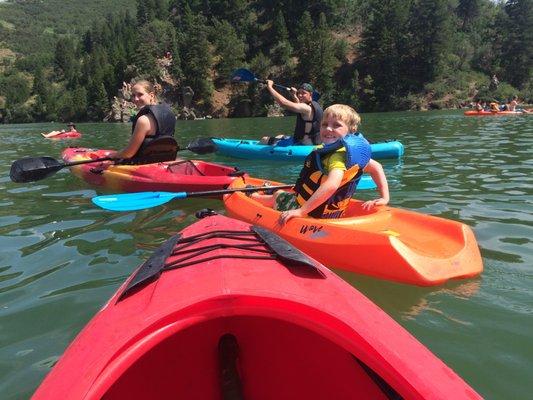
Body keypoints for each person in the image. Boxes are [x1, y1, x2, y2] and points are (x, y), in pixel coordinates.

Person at [252, 104, 389, 225]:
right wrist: (384, 197)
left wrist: (301, 211)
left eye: (336, 125)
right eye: (324, 124)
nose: (328, 129)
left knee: (278, 195)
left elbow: (332, 185)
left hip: (309, 213)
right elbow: (377, 167)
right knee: (282, 193)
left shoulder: (335, 157)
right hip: (333, 214)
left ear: (351, 131)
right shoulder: (353, 156)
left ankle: (252, 197)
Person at [113, 80, 176, 160]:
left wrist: (113, 155)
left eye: (140, 95)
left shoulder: (143, 120)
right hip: (166, 161)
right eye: (133, 95)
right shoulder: (170, 114)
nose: (135, 99)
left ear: (151, 96)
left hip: (143, 164)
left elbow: (128, 154)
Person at [260, 80, 323, 146]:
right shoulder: (314, 106)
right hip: (312, 142)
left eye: (304, 93)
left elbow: (283, 103)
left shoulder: (307, 108)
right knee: (280, 136)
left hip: (302, 144)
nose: (300, 95)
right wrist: (294, 95)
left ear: (311, 94)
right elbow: (299, 106)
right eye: (299, 93)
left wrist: (270, 87)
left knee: (264, 139)